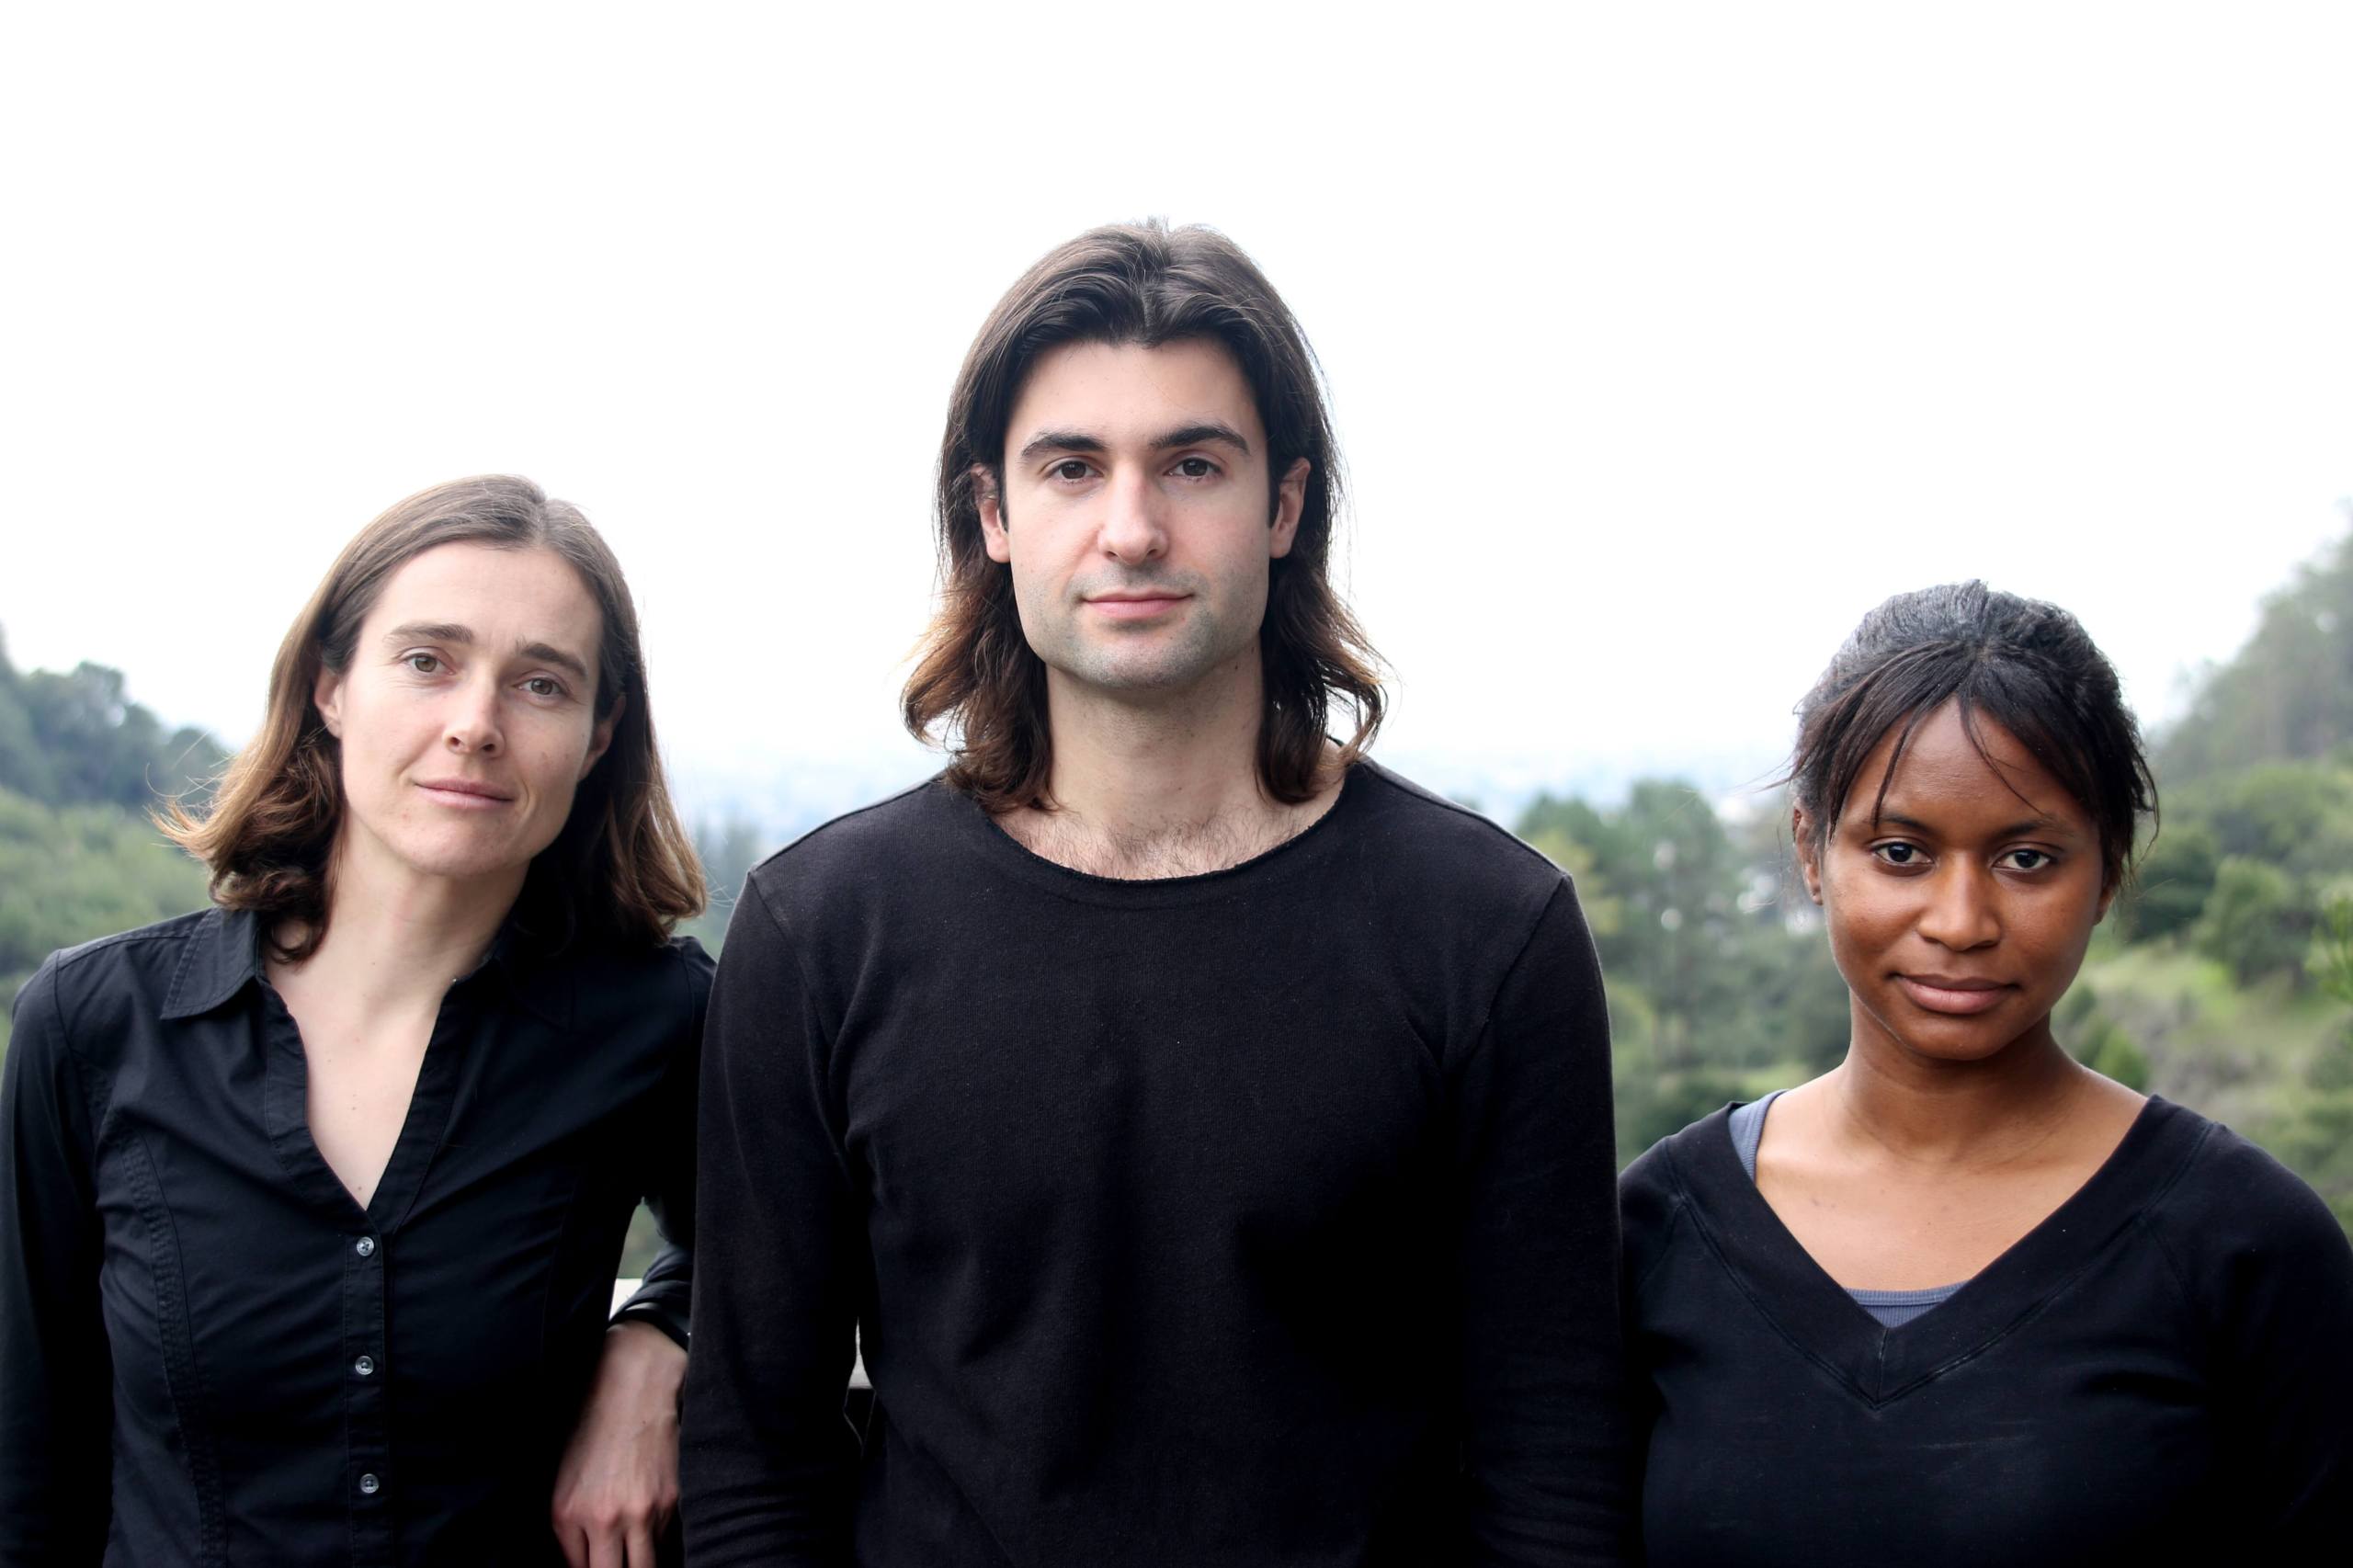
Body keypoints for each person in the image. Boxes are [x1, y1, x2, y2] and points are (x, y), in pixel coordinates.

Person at [680, 222, 1630, 1564]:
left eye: (1193, 464)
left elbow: (1555, 1472)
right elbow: (753, 1460)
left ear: (1286, 507)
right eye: (1073, 468)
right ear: (993, 516)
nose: (1132, 527)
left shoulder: (1488, 931)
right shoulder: (823, 930)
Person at [0, 476, 712, 1567]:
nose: (475, 725)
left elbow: (804, 1245)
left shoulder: (653, 1023)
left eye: (540, 682)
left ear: (598, 732)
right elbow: (26, 1461)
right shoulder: (95, 1026)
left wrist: (659, 1339)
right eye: (427, 660)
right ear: (331, 684)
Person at [1620, 582, 2353, 1564]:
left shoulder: (2248, 1245)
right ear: (1809, 850)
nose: (1960, 921)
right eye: (1899, 850)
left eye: (2026, 858)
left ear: (2110, 868)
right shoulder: (1658, 1232)